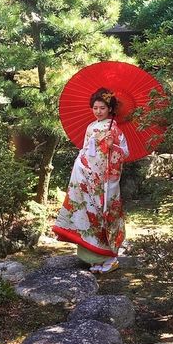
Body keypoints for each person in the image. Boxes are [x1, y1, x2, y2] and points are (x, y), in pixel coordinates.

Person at [53, 87, 129, 273]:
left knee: (106, 215)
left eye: (102, 108)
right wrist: (81, 163)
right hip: (88, 177)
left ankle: (110, 258)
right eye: (95, 108)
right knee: (88, 215)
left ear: (110, 109)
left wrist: (113, 147)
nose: (98, 111)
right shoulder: (90, 127)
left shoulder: (115, 129)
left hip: (106, 182)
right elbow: (86, 149)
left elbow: (125, 153)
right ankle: (95, 259)